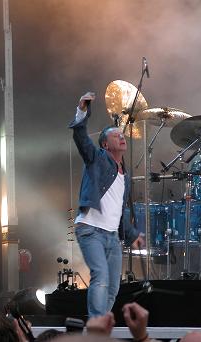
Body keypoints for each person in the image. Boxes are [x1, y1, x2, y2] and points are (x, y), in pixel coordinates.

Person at [69, 92, 144, 318]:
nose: (121, 138)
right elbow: (81, 138)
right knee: (100, 276)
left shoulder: (125, 177)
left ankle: (98, 327)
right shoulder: (97, 158)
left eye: (122, 135)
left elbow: (120, 212)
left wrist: (132, 236)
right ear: (104, 144)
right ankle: (95, 327)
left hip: (112, 236)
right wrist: (82, 111)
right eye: (115, 136)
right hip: (90, 230)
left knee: (113, 288)